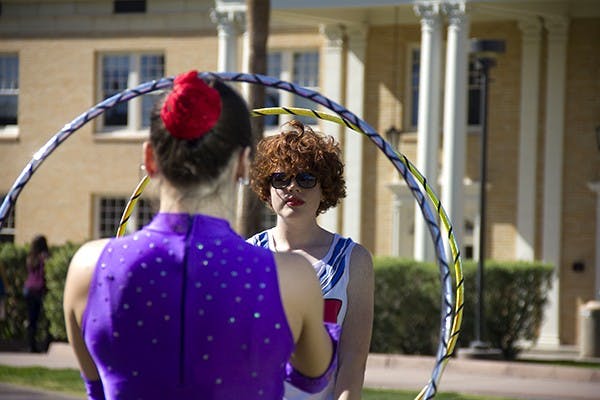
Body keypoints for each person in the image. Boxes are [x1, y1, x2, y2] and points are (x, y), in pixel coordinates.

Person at [63, 71, 339, 400]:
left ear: (150, 158)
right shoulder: (292, 277)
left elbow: (97, 386)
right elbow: (315, 374)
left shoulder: (89, 268)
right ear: (242, 164)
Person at [247, 120, 374, 400]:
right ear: (266, 188)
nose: (292, 187)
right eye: (280, 178)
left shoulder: (355, 260)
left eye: (306, 178)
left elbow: (353, 360)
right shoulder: (247, 255)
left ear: (324, 189)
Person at [24, 234, 49, 353]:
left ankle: (30, 345)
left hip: (28, 289)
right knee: (41, 319)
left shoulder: (30, 257)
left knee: (31, 319)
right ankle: (41, 345)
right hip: (39, 290)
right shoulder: (44, 257)